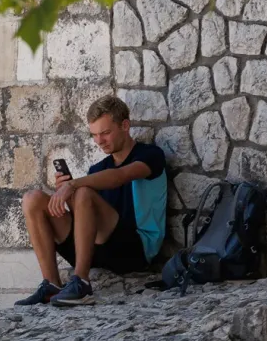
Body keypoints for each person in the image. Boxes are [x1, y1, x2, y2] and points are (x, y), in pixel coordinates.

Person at [16, 94, 167, 306]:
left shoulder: (151, 155)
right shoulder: (97, 169)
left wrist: (74, 185)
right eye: (94, 135)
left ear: (125, 125)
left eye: (105, 133)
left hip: (135, 249)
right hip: (98, 248)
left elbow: (119, 177)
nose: (99, 141)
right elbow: (86, 218)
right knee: (33, 199)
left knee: (83, 191)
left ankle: (82, 282)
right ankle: (52, 284)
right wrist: (66, 194)